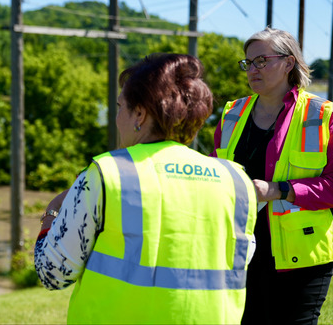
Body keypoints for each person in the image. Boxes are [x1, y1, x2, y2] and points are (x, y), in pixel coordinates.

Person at [34, 53, 258, 324]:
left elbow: (52, 273)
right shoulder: (236, 180)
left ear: (139, 113)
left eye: (120, 107)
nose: (117, 118)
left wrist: (52, 214)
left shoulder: (108, 173)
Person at [212, 27, 333, 324]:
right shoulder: (231, 114)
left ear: (289, 63)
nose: (252, 69)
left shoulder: (322, 115)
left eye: (261, 61)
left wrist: (279, 190)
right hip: (238, 249)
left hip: (302, 257)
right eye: (248, 62)